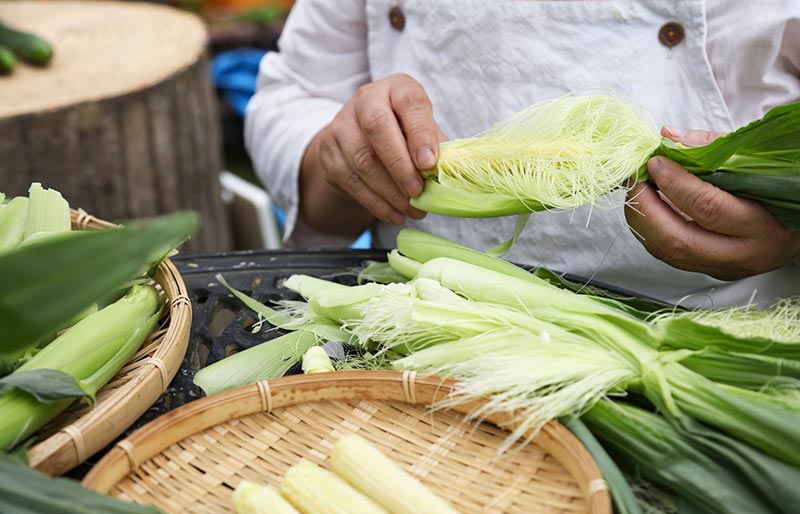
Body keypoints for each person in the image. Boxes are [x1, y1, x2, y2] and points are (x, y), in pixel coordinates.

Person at [245, 0, 800, 307]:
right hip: (426, 320)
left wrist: (790, 227)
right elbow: (294, 95)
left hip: (710, 339)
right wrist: (339, 159)